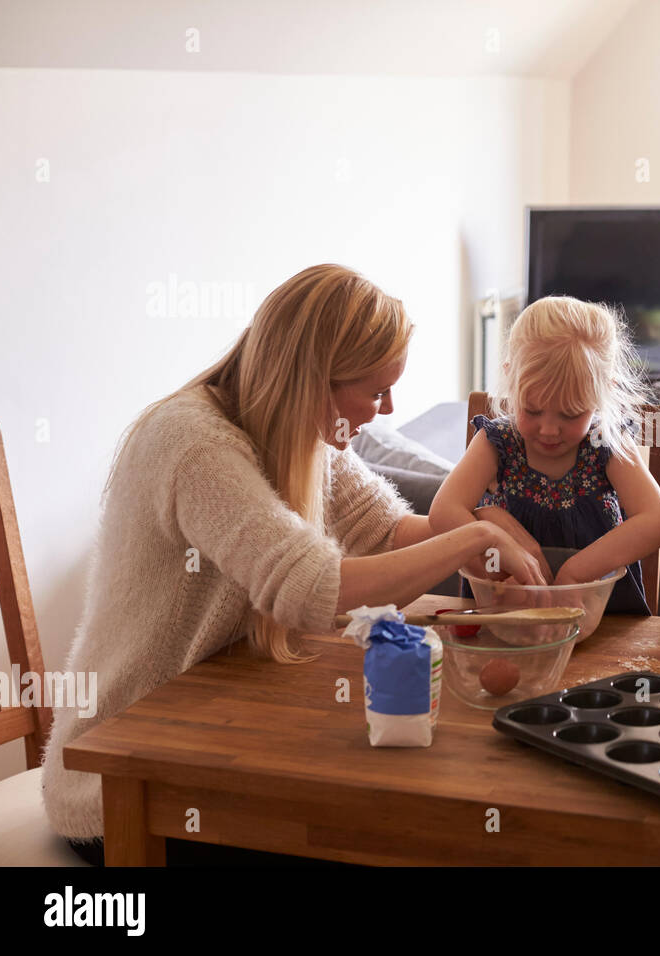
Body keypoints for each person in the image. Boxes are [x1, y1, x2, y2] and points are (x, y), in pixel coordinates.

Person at [43, 264, 543, 865]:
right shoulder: (195, 446)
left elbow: (382, 530)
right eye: (376, 390)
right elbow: (311, 588)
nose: (387, 408)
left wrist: (478, 522)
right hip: (122, 782)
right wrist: (468, 542)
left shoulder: (298, 427)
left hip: (209, 730)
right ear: (314, 380)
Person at [430, 296, 660, 615]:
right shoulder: (497, 440)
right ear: (510, 380)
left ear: (603, 393)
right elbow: (443, 512)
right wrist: (497, 559)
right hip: (507, 609)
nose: (548, 430)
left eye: (570, 414)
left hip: (601, 612)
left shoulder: (606, 439)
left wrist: (575, 572)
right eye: (532, 410)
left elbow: (656, 521)